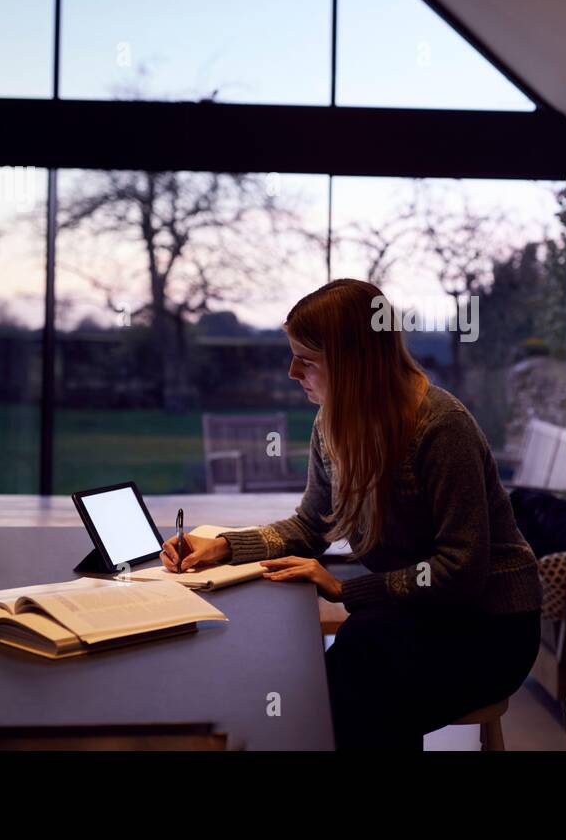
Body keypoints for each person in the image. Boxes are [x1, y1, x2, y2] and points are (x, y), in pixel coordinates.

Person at [162, 278, 543, 749]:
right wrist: (223, 546)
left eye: (307, 359)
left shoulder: (441, 427)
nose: (291, 371)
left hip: (489, 628)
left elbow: (461, 569)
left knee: (364, 661)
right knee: (362, 666)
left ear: (353, 362)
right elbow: (311, 525)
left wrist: (345, 589)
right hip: (420, 616)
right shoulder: (335, 422)